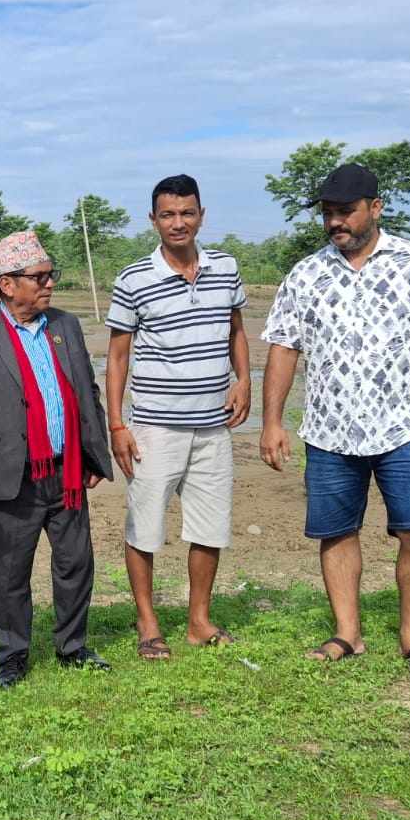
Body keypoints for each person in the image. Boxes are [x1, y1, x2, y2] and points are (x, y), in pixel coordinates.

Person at [259, 162, 410, 676]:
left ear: (375, 208)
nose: (336, 222)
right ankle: (347, 634)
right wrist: (272, 421)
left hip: (409, 429)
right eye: (328, 213)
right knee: (336, 532)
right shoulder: (306, 274)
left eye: (346, 211)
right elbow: (285, 349)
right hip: (330, 430)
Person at [0, 230, 114, 688]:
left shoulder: (65, 326)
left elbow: (86, 393)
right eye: (39, 277)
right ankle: (13, 656)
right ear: (7, 283)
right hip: (9, 474)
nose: (49, 284)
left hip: (67, 471)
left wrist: (95, 455)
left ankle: (71, 647)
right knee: (11, 573)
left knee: (76, 563)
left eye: (50, 275)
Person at [105, 175, 250, 659]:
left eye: (187, 213)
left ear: (201, 215)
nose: (178, 223)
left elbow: (236, 331)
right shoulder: (133, 279)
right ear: (153, 220)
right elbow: (118, 358)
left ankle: (198, 621)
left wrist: (243, 380)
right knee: (144, 527)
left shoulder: (225, 268)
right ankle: (148, 624)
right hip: (153, 427)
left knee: (210, 527)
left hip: (213, 426)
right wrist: (117, 425)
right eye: (167, 214)